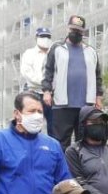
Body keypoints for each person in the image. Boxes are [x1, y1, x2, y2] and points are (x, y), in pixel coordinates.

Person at [43, 14, 104, 148]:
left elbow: (98, 75)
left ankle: (79, 169)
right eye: (73, 29)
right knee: (60, 142)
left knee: (84, 142)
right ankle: (60, 169)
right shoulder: (57, 48)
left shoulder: (91, 51)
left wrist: (99, 97)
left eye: (79, 31)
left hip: (86, 105)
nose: (75, 33)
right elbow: (48, 71)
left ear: (83, 32)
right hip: (62, 104)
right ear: (68, 29)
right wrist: (47, 91)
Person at [22, 27, 55, 137]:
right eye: (42, 36)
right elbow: (27, 73)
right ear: (36, 38)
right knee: (33, 125)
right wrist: (45, 83)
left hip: (52, 95)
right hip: (33, 93)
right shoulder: (29, 53)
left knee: (53, 127)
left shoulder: (54, 53)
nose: (45, 39)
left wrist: (48, 87)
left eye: (48, 36)